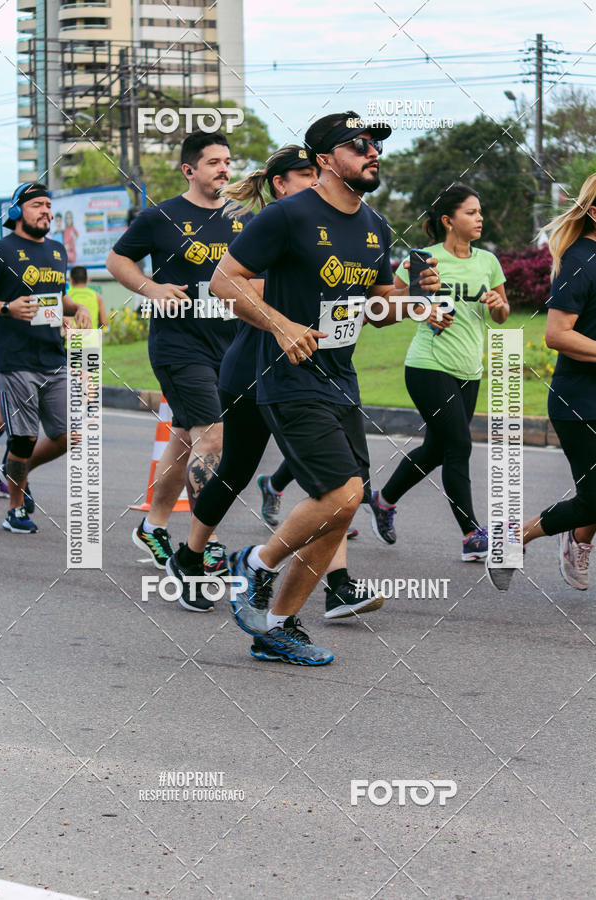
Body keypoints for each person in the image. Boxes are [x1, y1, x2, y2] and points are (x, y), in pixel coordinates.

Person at [208, 111, 439, 665]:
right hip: (287, 378)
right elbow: (222, 281)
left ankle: (279, 626)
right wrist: (281, 324)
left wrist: (417, 300)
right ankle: (254, 566)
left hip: (341, 375)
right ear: (325, 159)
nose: (372, 153)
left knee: (340, 509)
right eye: (359, 144)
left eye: (376, 145)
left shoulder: (375, 225)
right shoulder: (288, 215)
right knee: (341, 493)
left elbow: (379, 308)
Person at [166, 145, 383, 639]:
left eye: (314, 173)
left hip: (312, 370)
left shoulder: (343, 226)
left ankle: (338, 583)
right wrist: (288, 304)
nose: (311, 182)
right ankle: (191, 553)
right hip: (254, 367)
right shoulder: (277, 226)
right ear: (280, 184)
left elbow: (351, 295)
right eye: (302, 175)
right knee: (238, 467)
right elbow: (238, 288)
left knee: (334, 484)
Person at [107, 130, 253, 575]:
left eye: (227, 160)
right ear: (190, 170)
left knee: (188, 435)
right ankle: (203, 544)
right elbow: (118, 260)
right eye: (213, 162)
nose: (224, 168)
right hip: (178, 346)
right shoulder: (161, 217)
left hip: (229, 345)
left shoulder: (242, 219)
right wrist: (152, 288)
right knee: (213, 436)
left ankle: (153, 526)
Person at [368, 183, 509, 561]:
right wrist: (421, 309)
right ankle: (470, 534)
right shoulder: (422, 259)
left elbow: (502, 313)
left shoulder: (487, 262)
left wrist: (497, 303)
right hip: (428, 364)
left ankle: (383, 500)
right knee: (459, 444)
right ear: (448, 220)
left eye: (480, 212)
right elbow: (386, 306)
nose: (479, 218)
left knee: (435, 448)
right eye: (471, 212)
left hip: (469, 368)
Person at [487, 174, 596, 592]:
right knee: (595, 497)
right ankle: (513, 539)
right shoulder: (581, 260)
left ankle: (576, 542)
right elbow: (557, 334)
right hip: (581, 401)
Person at [0, 182, 91, 533]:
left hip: (54, 358)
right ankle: (15, 510)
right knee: (23, 438)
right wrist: (6, 307)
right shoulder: (0, 250)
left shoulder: (56, 251)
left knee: (72, 434)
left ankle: (15, 472)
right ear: (18, 211)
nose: (47, 212)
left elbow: (57, 295)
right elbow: (7, 303)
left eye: (50, 206)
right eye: (38, 205)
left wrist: (76, 307)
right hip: (15, 359)